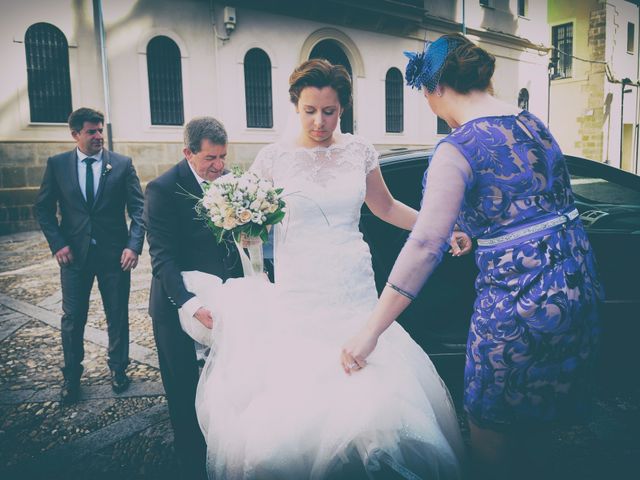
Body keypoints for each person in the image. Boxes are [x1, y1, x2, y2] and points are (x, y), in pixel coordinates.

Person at [179, 59, 468, 479]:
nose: (319, 121)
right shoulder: (273, 157)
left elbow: (384, 207)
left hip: (354, 286)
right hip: (300, 291)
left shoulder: (359, 151)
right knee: (302, 398)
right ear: (295, 107)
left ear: (343, 109)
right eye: (310, 110)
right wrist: (245, 232)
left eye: (329, 111)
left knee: (374, 395)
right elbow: (249, 223)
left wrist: (440, 227)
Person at [340, 34, 603, 480]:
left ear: (436, 88)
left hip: (518, 305)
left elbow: (424, 246)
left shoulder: (457, 148)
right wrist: (473, 229)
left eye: (424, 93)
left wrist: (371, 331)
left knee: (491, 435)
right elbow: (529, 206)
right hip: (576, 289)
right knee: (539, 429)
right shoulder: (533, 123)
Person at [144, 117, 242, 480]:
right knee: (184, 395)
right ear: (188, 153)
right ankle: (191, 465)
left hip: (225, 305)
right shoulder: (162, 189)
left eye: (223, 157)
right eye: (210, 159)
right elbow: (162, 257)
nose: (219, 166)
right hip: (177, 307)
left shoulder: (230, 182)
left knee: (225, 388)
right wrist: (190, 304)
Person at [35, 107, 145, 405]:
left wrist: (133, 246)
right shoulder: (57, 165)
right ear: (75, 135)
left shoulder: (121, 165)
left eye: (100, 130)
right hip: (73, 258)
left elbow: (138, 209)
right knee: (72, 318)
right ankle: (71, 377)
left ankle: (119, 370)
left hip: (115, 255)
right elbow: (43, 210)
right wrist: (58, 244)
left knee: (117, 314)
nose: (99, 136)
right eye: (91, 131)